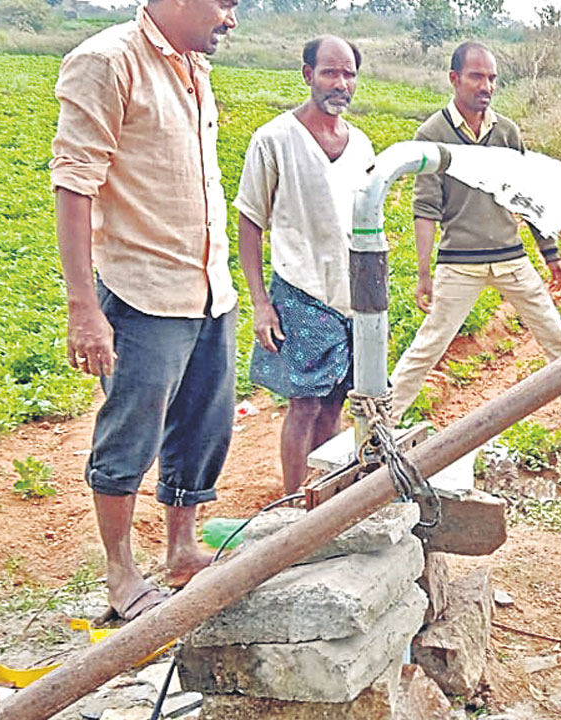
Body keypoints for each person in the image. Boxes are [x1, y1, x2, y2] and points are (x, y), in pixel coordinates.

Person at [51, 0, 240, 621]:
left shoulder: (193, 64)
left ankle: (182, 549)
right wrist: (84, 307)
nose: (230, 20)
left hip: (208, 285)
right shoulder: (107, 62)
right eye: (224, 4)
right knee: (131, 434)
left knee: (201, 428)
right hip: (141, 290)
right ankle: (120, 572)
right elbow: (75, 182)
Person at [388, 42, 561, 431]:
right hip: (460, 263)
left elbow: (530, 198)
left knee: (554, 333)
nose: (485, 85)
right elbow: (426, 209)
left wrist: (549, 252)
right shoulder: (432, 134)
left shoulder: (506, 132)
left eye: (491, 77)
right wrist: (424, 274)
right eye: (476, 76)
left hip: (510, 256)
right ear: (454, 79)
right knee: (428, 346)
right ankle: (381, 427)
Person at [235, 36, 376, 496]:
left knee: (336, 402)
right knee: (304, 404)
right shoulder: (274, 139)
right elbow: (251, 220)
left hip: (349, 295)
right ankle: (296, 498)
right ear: (307, 75)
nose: (341, 84)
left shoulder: (361, 147)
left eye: (349, 74)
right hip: (300, 291)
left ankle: (326, 494)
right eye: (330, 72)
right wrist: (261, 302)